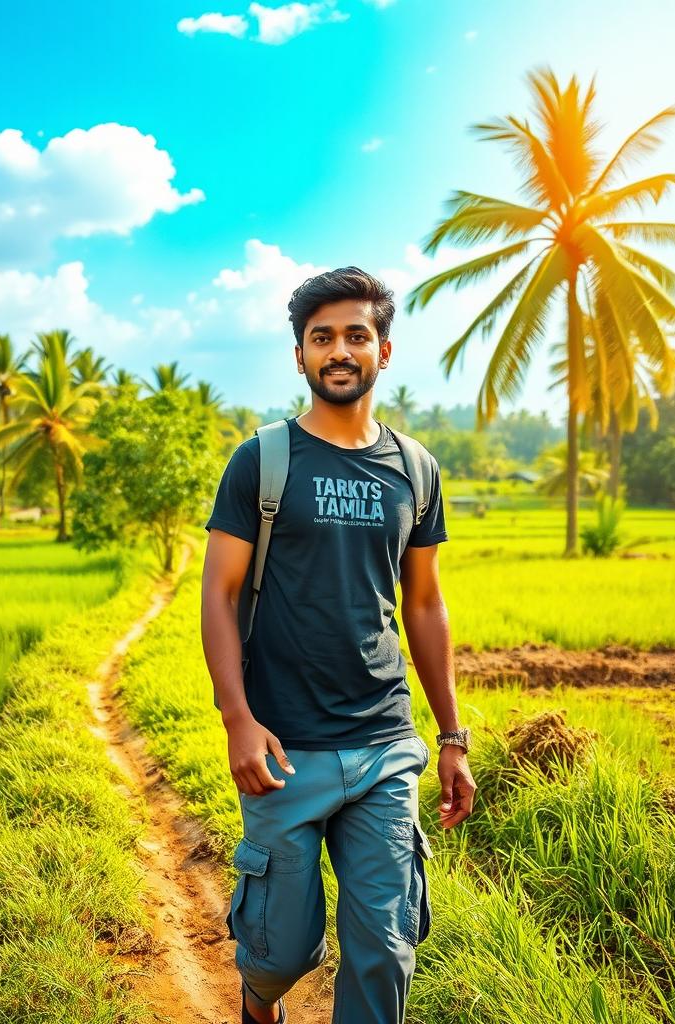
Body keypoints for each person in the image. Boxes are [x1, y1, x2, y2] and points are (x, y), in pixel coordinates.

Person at [200, 267, 477, 1024]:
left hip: (386, 743)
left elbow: (423, 604)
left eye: (357, 335)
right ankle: (260, 1001)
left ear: (384, 350)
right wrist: (237, 719)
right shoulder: (263, 460)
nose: (340, 350)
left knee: (385, 949)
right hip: (285, 748)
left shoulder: (414, 469)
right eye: (322, 337)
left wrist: (451, 736)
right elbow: (219, 593)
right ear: (300, 356)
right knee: (281, 952)